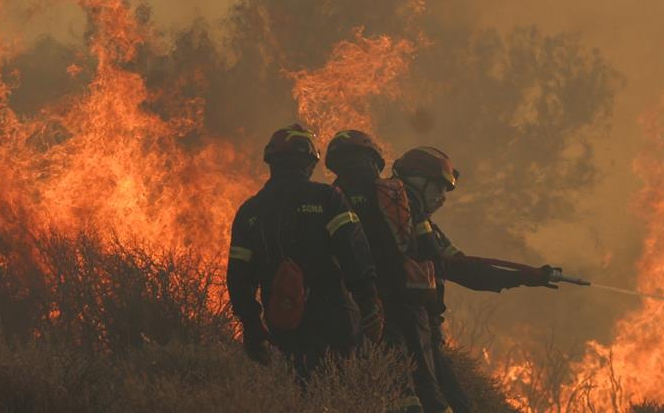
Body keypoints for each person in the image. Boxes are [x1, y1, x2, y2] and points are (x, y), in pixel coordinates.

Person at [392, 146, 563, 413]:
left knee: (454, 402)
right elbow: (465, 271)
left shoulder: (423, 228)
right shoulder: (406, 223)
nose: (442, 198)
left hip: (420, 330)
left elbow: (465, 267)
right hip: (408, 330)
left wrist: (525, 276)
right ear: (417, 180)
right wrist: (525, 277)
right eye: (438, 188)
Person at [226, 124, 383, 378]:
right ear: (310, 163)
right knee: (339, 385)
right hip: (335, 317)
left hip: (282, 318)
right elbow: (353, 251)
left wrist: (251, 324)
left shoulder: (249, 211)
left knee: (297, 386)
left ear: (271, 162)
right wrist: (368, 301)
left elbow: (239, 276)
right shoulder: (328, 198)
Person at [325, 130, 447, 413]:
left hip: (363, 303)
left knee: (391, 384)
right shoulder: (399, 192)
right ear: (375, 159)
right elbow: (430, 250)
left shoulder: (330, 198)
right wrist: (434, 314)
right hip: (409, 301)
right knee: (427, 385)